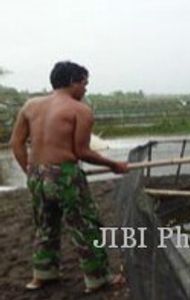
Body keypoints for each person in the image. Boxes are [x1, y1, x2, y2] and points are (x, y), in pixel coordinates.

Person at [9, 61, 128, 293]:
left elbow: (16, 143)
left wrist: (31, 171)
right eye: (84, 83)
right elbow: (82, 151)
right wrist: (114, 165)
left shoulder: (30, 105)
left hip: (36, 174)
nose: (85, 89)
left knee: (45, 225)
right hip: (64, 175)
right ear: (73, 81)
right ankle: (98, 278)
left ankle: (42, 275)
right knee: (85, 225)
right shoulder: (80, 110)